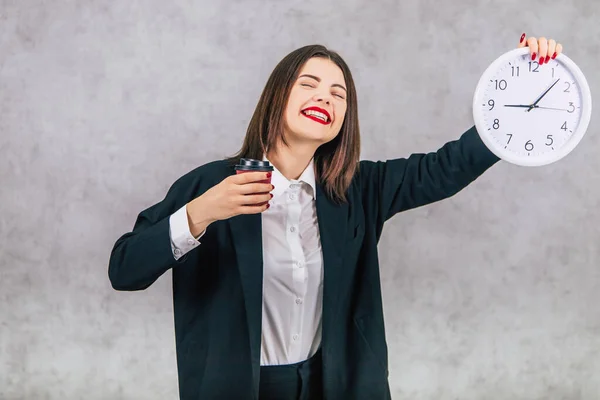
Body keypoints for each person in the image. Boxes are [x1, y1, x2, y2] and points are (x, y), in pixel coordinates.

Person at [108, 34, 563, 400]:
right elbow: (125, 269)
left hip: (333, 384)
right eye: (308, 84)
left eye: (338, 92)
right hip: (240, 387)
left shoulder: (357, 189)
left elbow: (448, 166)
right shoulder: (210, 184)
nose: (324, 97)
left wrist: (523, 85)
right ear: (276, 95)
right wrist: (200, 213)